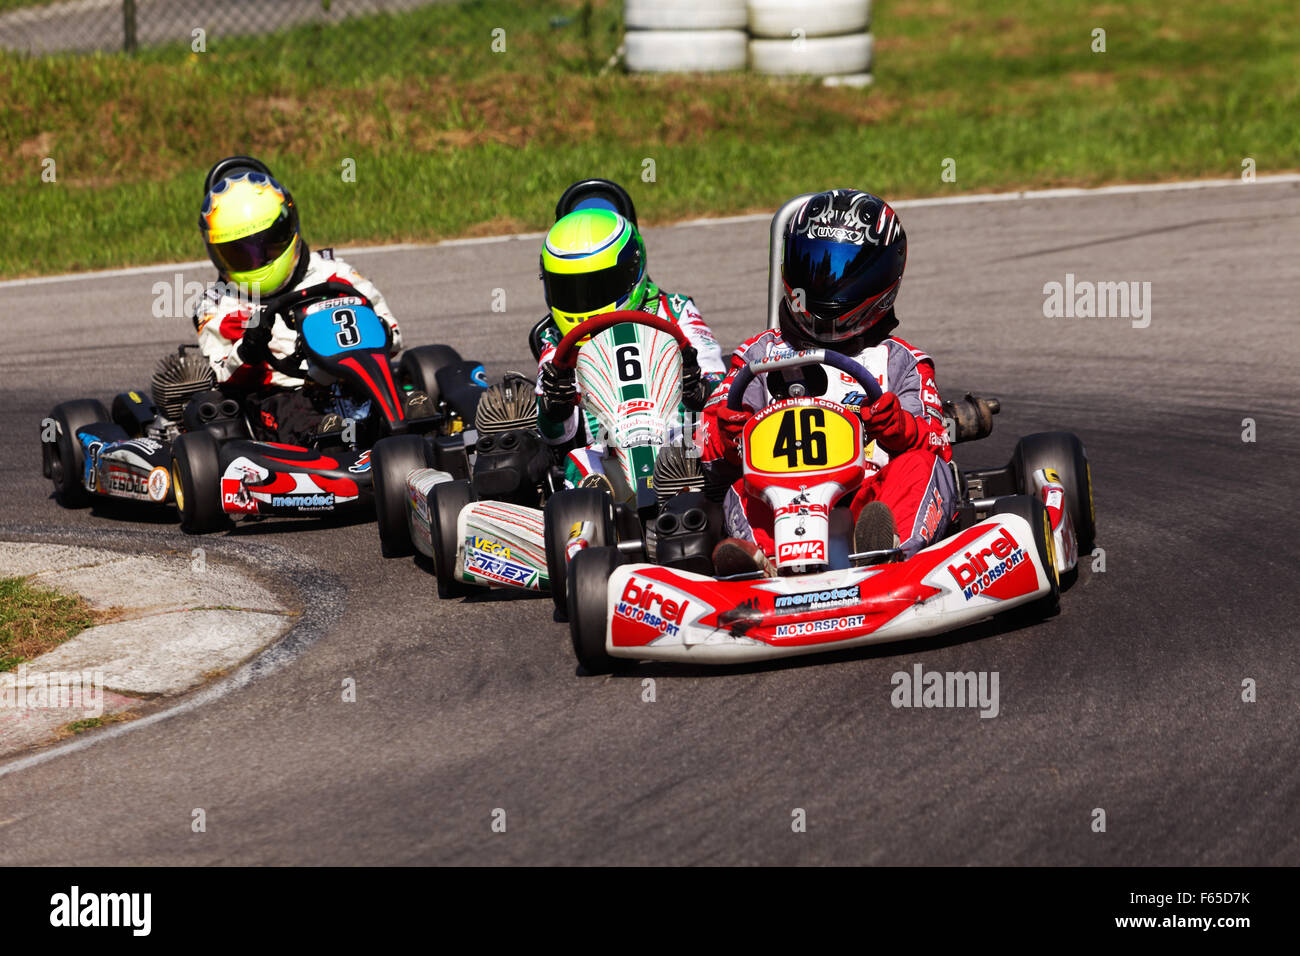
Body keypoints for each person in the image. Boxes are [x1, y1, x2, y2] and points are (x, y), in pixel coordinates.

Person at [699, 188, 956, 576]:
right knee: (739, 492)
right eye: (816, 266)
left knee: (921, 466)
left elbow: (938, 441)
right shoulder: (757, 355)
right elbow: (707, 444)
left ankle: (888, 554)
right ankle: (765, 565)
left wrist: (900, 429)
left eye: (841, 272)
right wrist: (728, 432)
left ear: (881, 278)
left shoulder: (902, 360)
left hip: (870, 500)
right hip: (780, 501)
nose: (826, 285)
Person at [192, 155, 403, 445]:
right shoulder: (217, 304)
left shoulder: (334, 273)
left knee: (413, 376)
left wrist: (380, 331)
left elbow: (394, 336)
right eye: (241, 252)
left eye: (268, 243)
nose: (258, 259)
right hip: (281, 397)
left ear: (288, 227)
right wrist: (250, 348)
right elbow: (223, 377)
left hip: (355, 381)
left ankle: (408, 419)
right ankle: (326, 439)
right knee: (285, 410)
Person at [533, 207, 726, 486]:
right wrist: (556, 408)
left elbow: (720, 389)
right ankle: (593, 525)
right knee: (576, 465)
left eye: (595, 287)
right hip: (604, 456)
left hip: (683, 444)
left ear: (631, 270)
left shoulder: (675, 310)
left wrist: (699, 389)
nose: (582, 301)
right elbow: (555, 436)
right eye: (568, 289)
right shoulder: (555, 340)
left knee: (724, 453)